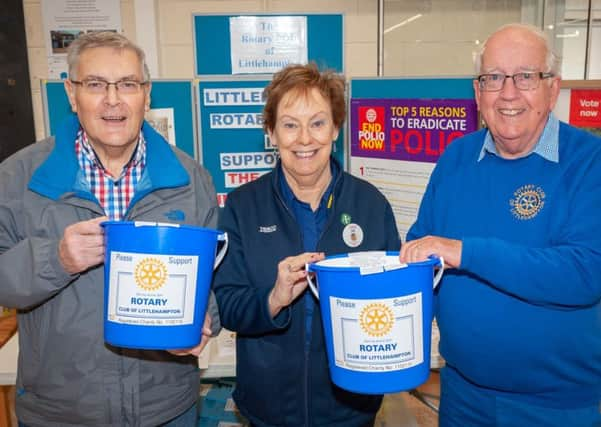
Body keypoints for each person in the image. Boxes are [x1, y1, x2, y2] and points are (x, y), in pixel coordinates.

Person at [0, 32, 220, 427]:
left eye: (128, 85)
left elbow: (213, 281)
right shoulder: (17, 178)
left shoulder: (191, 180)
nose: (113, 100)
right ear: (71, 93)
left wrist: (204, 319)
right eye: (96, 84)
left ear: (146, 94)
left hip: (166, 409)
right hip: (61, 413)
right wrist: (57, 259)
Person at [400, 23, 601, 426]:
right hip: (461, 397)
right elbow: (422, 249)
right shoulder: (455, 159)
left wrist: (466, 252)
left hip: (556, 408)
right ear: (478, 93)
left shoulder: (588, 161)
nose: (508, 93)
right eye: (493, 78)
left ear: (552, 87)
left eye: (525, 76)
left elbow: (585, 272)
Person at [213, 63, 401, 427]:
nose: (304, 139)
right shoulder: (242, 206)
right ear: (271, 132)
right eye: (289, 124)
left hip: (350, 408)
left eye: (317, 122)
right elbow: (228, 306)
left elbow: (391, 304)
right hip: (268, 409)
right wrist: (275, 297)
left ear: (335, 128)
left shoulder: (371, 205)